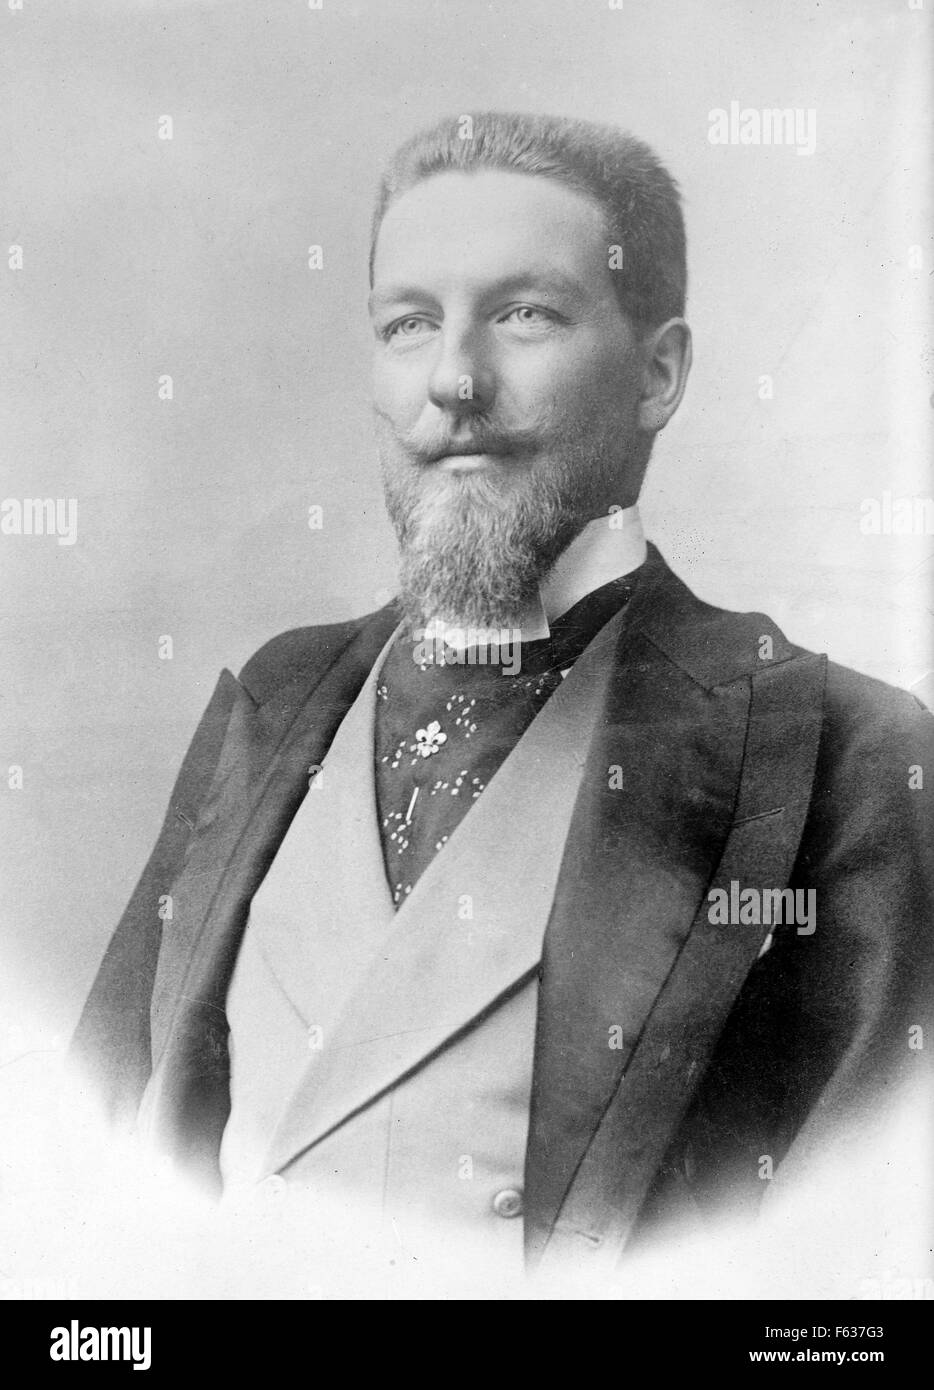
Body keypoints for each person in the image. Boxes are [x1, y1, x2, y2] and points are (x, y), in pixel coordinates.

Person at [72, 112, 934, 1278]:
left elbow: (852, 1270)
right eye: (408, 323)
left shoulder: (844, 759)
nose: (454, 381)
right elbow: (86, 1194)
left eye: (526, 314)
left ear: (659, 373)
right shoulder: (275, 700)